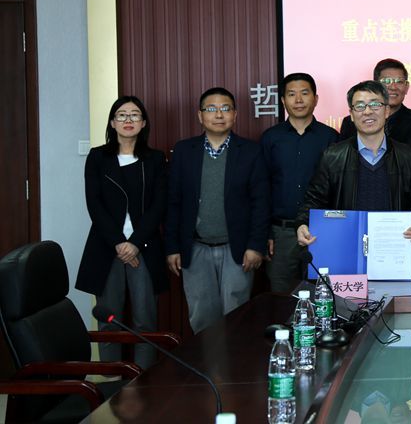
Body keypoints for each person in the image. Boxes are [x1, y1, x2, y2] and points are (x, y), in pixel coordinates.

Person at [165, 87, 270, 333]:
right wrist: (172, 247)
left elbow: (261, 202)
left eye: (225, 108)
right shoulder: (184, 151)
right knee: (202, 317)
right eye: (211, 109)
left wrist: (256, 246)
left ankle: (234, 360)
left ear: (235, 114)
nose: (219, 114)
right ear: (200, 115)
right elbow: (173, 202)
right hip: (195, 247)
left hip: (237, 249)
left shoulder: (251, 151)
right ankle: (207, 361)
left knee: (237, 316)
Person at [75, 96, 167, 369]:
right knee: (109, 320)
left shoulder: (155, 159)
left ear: (144, 123)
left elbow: (159, 205)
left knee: (145, 320)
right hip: (107, 247)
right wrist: (118, 243)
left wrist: (134, 243)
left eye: (135, 115)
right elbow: (94, 204)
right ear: (113, 123)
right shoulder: (98, 157)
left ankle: (143, 378)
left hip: (144, 247)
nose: (128, 120)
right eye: (122, 115)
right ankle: (111, 379)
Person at [296, 80, 411, 267]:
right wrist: (302, 223)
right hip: (344, 250)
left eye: (375, 104)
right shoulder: (332, 156)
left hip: (392, 255)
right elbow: (313, 199)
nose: (367, 112)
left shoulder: (407, 156)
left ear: (387, 111)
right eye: (359, 106)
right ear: (351, 114)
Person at [260, 73, 337, 292]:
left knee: (322, 294)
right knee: (281, 298)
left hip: (321, 230)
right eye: (292, 94)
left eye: (305, 93)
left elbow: (338, 186)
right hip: (281, 233)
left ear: (316, 98)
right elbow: (262, 188)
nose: (299, 100)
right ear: (283, 100)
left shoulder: (331, 137)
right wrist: (266, 233)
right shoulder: (270, 138)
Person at [339, 58, 411, 174]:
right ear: (375, 86)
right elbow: (343, 166)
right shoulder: (351, 122)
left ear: (407, 87)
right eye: (386, 81)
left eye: (399, 81)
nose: (393, 87)